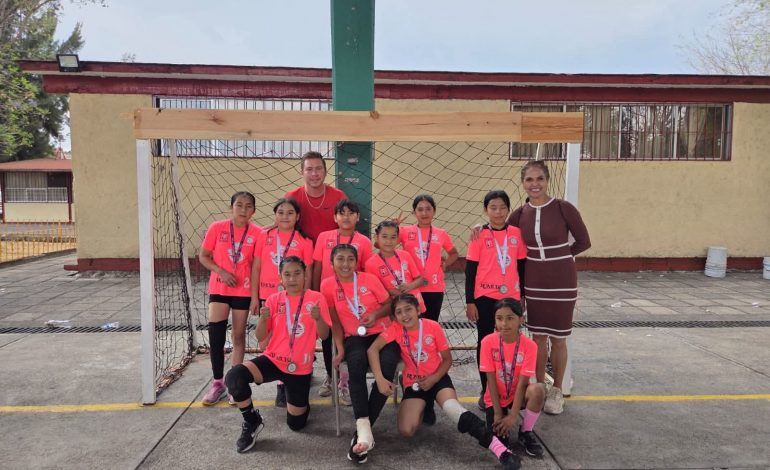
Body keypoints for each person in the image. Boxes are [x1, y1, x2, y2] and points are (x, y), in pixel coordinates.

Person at [368, 293, 522, 470]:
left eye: (409, 309)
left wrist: (434, 379)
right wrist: (379, 379)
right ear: (395, 316)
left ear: (418, 310)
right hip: (415, 384)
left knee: (453, 409)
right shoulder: (395, 329)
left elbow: (447, 360)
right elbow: (373, 349)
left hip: (438, 378)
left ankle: (501, 450)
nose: (405, 315)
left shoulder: (432, 327)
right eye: (399, 312)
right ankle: (424, 406)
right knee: (406, 430)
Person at [507, 160, 590, 414]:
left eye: (539, 178)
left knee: (559, 338)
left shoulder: (564, 208)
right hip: (534, 280)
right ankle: (540, 387)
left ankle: (557, 392)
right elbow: (501, 233)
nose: (535, 184)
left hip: (562, 280)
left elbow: (584, 241)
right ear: (523, 183)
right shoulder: (520, 214)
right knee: (538, 337)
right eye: (529, 180)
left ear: (547, 181)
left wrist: (561, 256)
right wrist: (479, 228)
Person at [225, 256, 331, 453]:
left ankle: (302, 403)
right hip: (273, 359)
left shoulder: (316, 298)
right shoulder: (274, 299)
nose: (292, 279)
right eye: (287, 274)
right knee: (234, 377)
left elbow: (324, 335)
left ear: (305, 275)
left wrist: (318, 319)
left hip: (299, 367)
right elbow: (261, 336)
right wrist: (263, 321)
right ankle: (252, 421)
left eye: (297, 273)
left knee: (296, 425)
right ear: (280, 278)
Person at [319, 244, 400, 464]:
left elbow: (389, 304)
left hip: (382, 333)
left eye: (350, 260)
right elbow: (334, 321)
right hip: (354, 336)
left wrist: (375, 315)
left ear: (357, 262)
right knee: (355, 364)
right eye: (340, 260)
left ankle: (362, 432)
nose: (345, 264)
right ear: (332, 263)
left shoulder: (369, 279)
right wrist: (340, 347)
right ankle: (364, 431)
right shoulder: (327, 285)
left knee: (387, 367)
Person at [198, 191, 262, 406]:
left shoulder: (258, 233)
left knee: (238, 335)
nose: (243, 210)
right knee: (215, 334)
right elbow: (204, 256)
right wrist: (221, 271)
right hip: (220, 288)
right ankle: (217, 383)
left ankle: (233, 383)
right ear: (231, 207)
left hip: (243, 290)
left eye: (248, 206)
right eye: (239, 205)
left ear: (253, 210)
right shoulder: (217, 228)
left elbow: (256, 267)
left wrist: (255, 296)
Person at [466, 190, 527, 410]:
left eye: (502, 207)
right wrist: (469, 301)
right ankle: (486, 391)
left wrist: (523, 297)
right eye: (493, 207)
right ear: (485, 210)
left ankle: (507, 389)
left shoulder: (516, 234)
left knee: (510, 342)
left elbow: (521, 267)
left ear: (508, 209)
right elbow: (470, 271)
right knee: (485, 343)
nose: (498, 212)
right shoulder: (478, 234)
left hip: (510, 298)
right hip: (484, 297)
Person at [252, 197, 314, 407]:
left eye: (290, 213)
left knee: (292, 336)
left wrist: (306, 296)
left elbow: (309, 272)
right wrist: (254, 297)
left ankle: (291, 379)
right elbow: (257, 267)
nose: (285, 217)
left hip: (294, 297)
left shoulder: (305, 241)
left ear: (297, 217)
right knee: (268, 340)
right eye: (280, 212)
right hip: (268, 295)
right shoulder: (265, 235)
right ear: (275, 215)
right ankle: (279, 380)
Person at [312, 199, 373, 403]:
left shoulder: (364, 241)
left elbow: (365, 270)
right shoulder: (324, 237)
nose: (346, 216)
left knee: (347, 337)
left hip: (351, 301)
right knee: (327, 337)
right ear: (335, 217)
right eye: (342, 213)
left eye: (351, 213)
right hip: (327, 295)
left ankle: (344, 380)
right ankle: (331, 375)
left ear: (357, 217)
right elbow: (318, 266)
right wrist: (314, 292)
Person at [481, 298, 545, 459]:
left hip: (518, 394)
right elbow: (490, 380)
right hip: (496, 398)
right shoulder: (487, 342)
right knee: (501, 444)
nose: (504, 324)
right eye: (499, 318)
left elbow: (523, 383)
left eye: (510, 318)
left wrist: (512, 416)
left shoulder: (530, 346)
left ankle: (526, 431)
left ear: (520, 320)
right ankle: (499, 417)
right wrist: (497, 413)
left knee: (538, 390)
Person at [398, 194, 458, 322]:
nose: (424, 213)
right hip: (412, 287)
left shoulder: (441, 233)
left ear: (434, 210)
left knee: (430, 324)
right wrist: (392, 228)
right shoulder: (404, 231)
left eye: (428, 209)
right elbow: (380, 244)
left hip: (434, 287)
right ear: (414, 212)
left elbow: (454, 253)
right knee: (411, 324)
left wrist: (446, 264)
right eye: (420, 209)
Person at [285, 151, 348, 242]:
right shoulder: (291, 197)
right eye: (309, 169)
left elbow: (348, 230)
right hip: (300, 252)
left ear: (326, 172)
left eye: (318, 168)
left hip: (332, 251)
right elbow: (279, 226)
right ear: (302, 173)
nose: (314, 173)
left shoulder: (339, 197)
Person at [365, 220, 426, 313]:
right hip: (395, 309)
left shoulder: (405, 255)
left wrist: (409, 286)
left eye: (393, 237)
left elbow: (420, 280)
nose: (389, 241)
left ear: (397, 238)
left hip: (416, 306)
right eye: (384, 237)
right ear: (377, 237)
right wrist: (392, 291)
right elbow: (374, 290)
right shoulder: (370, 263)